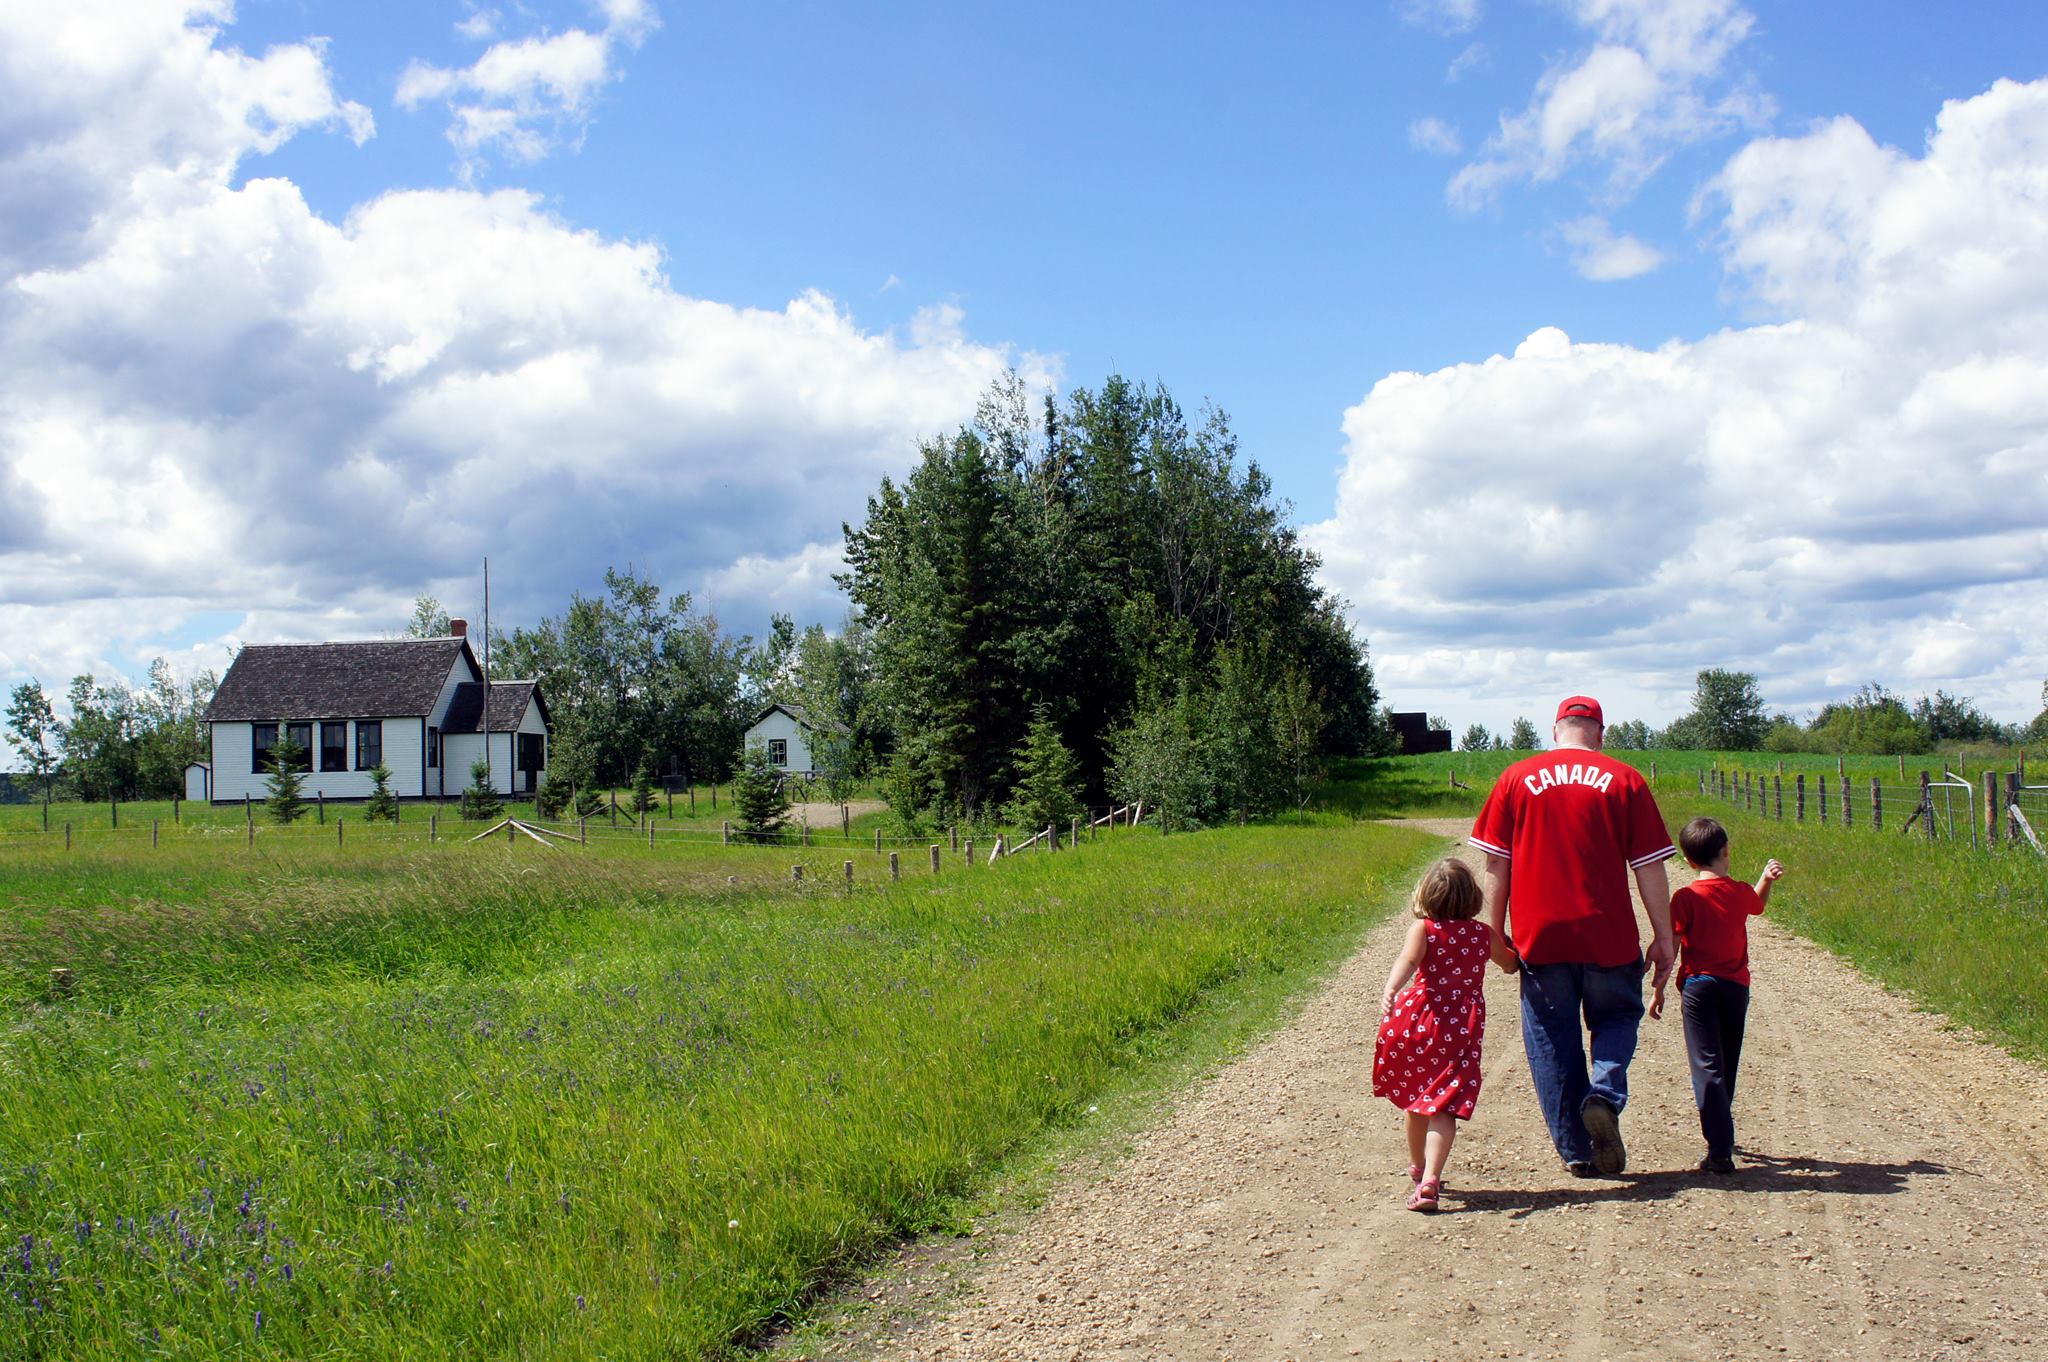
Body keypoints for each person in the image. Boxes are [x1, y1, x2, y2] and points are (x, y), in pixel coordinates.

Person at [1469, 696, 1677, 1178]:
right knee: (1618, 1017)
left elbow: (1497, 862)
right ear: (1600, 733)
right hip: (1609, 937)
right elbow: (1649, 866)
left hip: (1542, 940)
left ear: (1556, 730)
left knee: (1550, 1041)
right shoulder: (1626, 780)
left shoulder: (1516, 779)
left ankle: (1578, 1151)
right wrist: (1664, 936)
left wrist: (1495, 933)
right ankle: (1603, 1092)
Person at [1372, 858, 1511, 1212]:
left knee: (1417, 1096)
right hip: (1460, 1029)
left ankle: (1418, 1169)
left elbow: (1407, 960)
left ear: (1426, 895)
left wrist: (1391, 988)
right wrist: (1521, 952)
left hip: (1420, 1020)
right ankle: (1432, 1179)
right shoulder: (1482, 934)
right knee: (1443, 1103)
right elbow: (1510, 964)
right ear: (1473, 898)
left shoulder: (1424, 929)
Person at [1651, 816, 1785, 1174]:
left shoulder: (1685, 897)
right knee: (1727, 1063)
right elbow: (1757, 905)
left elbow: (1673, 947)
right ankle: (1722, 1135)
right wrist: (1765, 880)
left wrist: (1659, 989)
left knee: (1706, 1065)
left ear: (1689, 861)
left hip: (1698, 989)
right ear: (1726, 851)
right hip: (1736, 988)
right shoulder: (1739, 890)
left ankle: (1720, 1149)